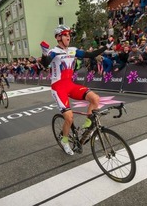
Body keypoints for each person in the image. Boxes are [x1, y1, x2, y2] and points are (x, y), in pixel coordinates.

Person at [40, 25, 113, 155]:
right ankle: (64, 140)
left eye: (69, 34)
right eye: (65, 34)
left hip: (70, 84)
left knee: (95, 99)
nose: (68, 36)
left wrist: (106, 46)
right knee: (69, 117)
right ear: (58, 37)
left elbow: (90, 54)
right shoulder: (54, 51)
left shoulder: (73, 50)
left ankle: (87, 128)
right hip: (58, 88)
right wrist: (44, 53)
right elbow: (46, 63)